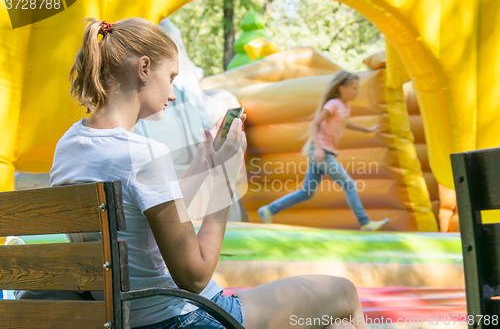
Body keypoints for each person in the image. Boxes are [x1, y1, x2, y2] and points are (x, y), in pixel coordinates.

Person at [50, 17, 367, 329]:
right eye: (171, 77)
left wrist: (204, 164)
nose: (173, 94)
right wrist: (224, 181)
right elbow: (195, 276)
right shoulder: (141, 153)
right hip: (184, 318)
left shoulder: (68, 148)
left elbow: (148, 220)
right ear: (143, 68)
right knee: (346, 295)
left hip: (125, 319)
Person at [258, 71, 390, 231]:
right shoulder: (333, 104)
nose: (356, 92)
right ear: (342, 88)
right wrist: (319, 149)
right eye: (354, 89)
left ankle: (269, 210)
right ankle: (365, 222)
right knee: (348, 184)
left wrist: (367, 129)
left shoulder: (345, 107)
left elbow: (345, 123)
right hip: (322, 152)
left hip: (323, 152)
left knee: (307, 192)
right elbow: (314, 124)